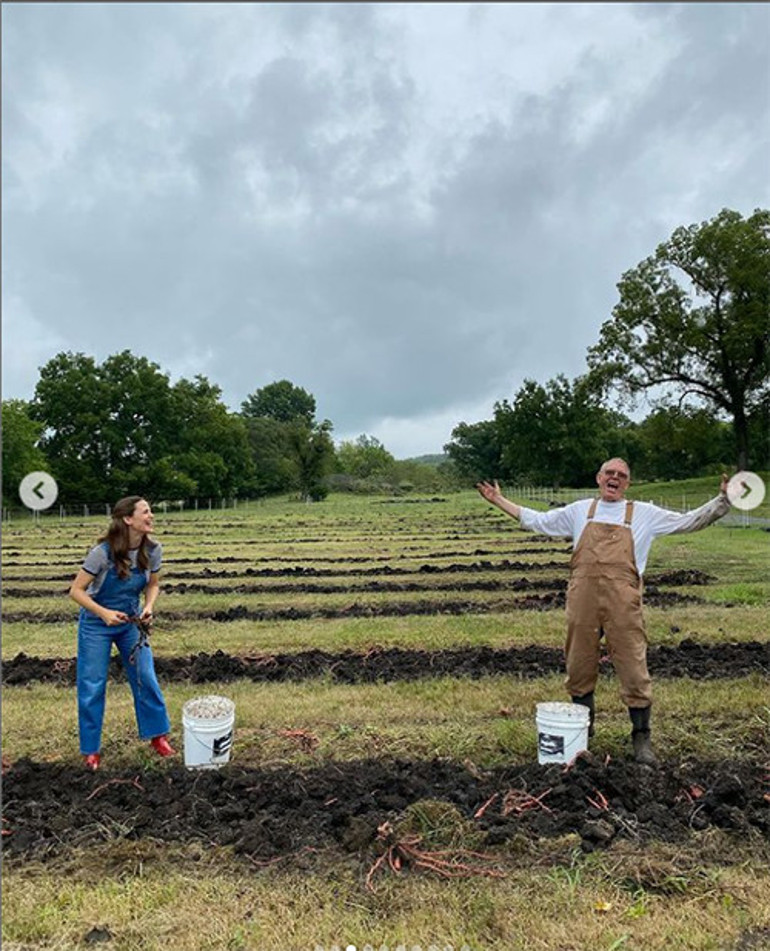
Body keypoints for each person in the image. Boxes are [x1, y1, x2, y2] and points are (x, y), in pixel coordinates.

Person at [477, 459, 731, 764]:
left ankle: (641, 738)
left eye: (621, 476)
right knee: (579, 664)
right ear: (599, 478)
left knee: (633, 665)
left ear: (628, 484)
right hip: (582, 599)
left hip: (623, 602)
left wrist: (722, 502)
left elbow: (690, 520)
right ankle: (584, 735)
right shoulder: (579, 510)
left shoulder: (645, 514)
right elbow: (537, 520)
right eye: (609, 473)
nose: (615, 478)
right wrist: (499, 500)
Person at [69, 496, 176, 770]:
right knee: (92, 684)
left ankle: (158, 737)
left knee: (145, 676)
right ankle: (91, 751)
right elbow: (76, 591)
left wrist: (149, 606)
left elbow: (153, 584)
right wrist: (103, 613)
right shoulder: (102, 553)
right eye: (146, 512)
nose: (151, 516)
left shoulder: (152, 550)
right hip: (96, 624)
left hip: (130, 621)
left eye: (151, 511)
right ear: (128, 519)